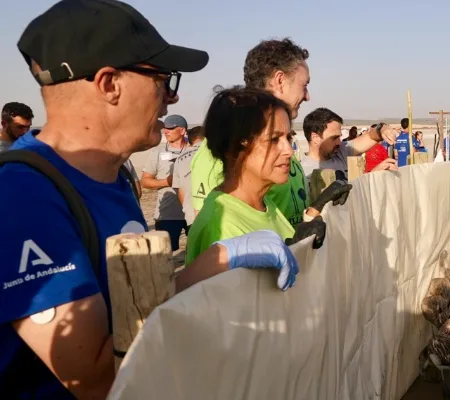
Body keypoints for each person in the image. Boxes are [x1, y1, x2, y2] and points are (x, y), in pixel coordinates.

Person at [0, 2, 302, 398]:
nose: (172, 100)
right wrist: (213, 263)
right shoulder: (23, 196)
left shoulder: (115, 177)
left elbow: (134, 312)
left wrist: (204, 270)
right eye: (163, 80)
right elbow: (98, 378)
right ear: (109, 84)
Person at [187, 87, 331, 264]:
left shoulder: (262, 204)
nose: (288, 151)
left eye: (288, 138)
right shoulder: (222, 225)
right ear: (235, 146)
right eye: (274, 139)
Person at [300, 107, 396, 181]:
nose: (339, 142)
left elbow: (371, 137)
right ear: (315, 137)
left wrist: (383, 129)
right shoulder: (302, 173)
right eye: (334, 138)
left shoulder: (342, 151)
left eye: (339, 136)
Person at [142, 114, 189, 251]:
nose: (166, 131)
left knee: (197, 254)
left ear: (182, 130)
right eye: (165, 128)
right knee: (166, 256)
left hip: (193, 213)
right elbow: (145, 181)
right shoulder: (157, 153)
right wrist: (167, 182)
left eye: (170, 128)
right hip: (167, 214)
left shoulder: (195, 151)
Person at [172, 126, 206, 229]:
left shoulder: (179, 159)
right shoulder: (213, 152)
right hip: (214, 213)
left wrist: (188, 211)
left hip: (191, 216)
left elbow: (181, 191)